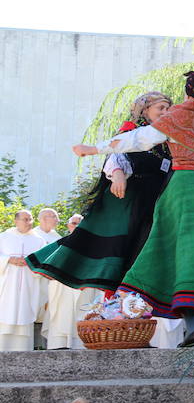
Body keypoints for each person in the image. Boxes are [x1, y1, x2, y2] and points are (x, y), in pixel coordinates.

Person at [72, 68, 194, 347]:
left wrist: (94, 149)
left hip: (186, 190)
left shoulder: (178, 116)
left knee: (188, 254)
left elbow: (138, 139)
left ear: (188, 91)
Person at [28, 92, 174, 291]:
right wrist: (117, 174)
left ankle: (136, 298)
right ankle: (116, 301)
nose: (166, 112)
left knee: (145, 246)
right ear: (145, 110)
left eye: (168, 108)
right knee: (121, 246)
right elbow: (116, 154)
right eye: (161, 108)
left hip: (157, 199)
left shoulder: (168, 139)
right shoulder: (131, 132)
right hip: (131, 199)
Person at [0, 211, 45, 350]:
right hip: (7, 284)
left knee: (25, 311)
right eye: (25, 219)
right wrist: (9, 260)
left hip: (28, 284)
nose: (28, 222)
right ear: (16, 221)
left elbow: (43, 262)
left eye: (30, 219)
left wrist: (30, 262)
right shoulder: (4, 237)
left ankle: (23, 348)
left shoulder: (39, 240)